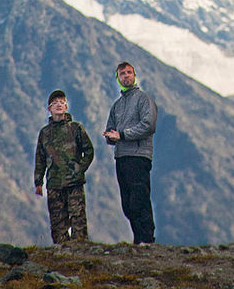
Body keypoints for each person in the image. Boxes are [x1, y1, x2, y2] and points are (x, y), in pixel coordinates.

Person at [103, 62, 157, 245]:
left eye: (129, 72)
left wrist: (123, 135)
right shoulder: (117, 106)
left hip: (139, 155)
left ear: (135, 75)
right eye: (122, 74)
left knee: (139, 198)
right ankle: (138, 240)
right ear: (117, 79)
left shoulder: (143, 99)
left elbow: (148, 125)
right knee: (127, 203)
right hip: (121, 156)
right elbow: (111, 127)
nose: (126, 76)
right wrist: (110, 136)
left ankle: (147, 240)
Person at [34, 89, 94, 244]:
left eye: (62, 102)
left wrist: (80, 168)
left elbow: (89, 150)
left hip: (74, 183)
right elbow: (40, 158)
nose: (59, 105)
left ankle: (81, 256)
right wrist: (38, 182)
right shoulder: (45, 133)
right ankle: (62, 258)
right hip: (54, 184)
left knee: (78, 220)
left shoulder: (76, 128)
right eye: (55, 103)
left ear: (66, 107)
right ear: (49, 109)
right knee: (58, 224)